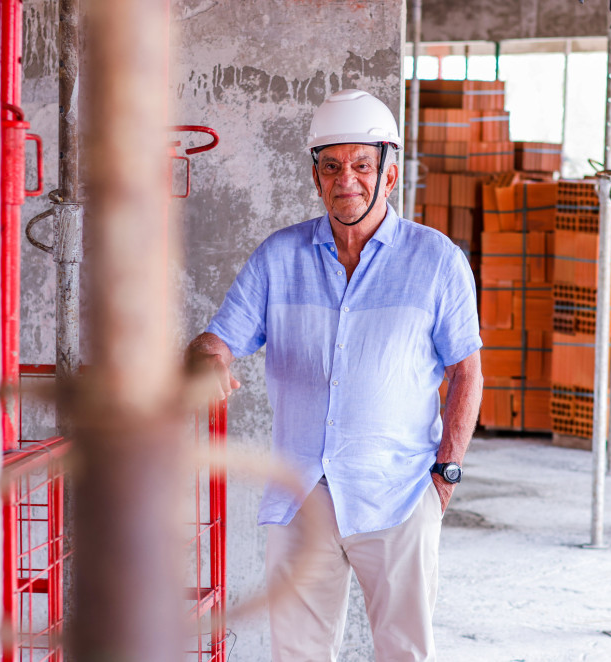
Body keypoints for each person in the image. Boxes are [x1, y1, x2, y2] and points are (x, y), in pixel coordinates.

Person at [184, 88, 483, 661]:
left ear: (389, 175)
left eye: (363, 165)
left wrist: (443, 478)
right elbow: (218, 339)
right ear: (315, 176)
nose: (347, 179)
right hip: (302, 496)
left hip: (398, 492)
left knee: (404, 652)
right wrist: (206, 357)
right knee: (297, 653)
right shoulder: (278, 257)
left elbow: (467, 374)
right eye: (332, 166)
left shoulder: (436, 260)